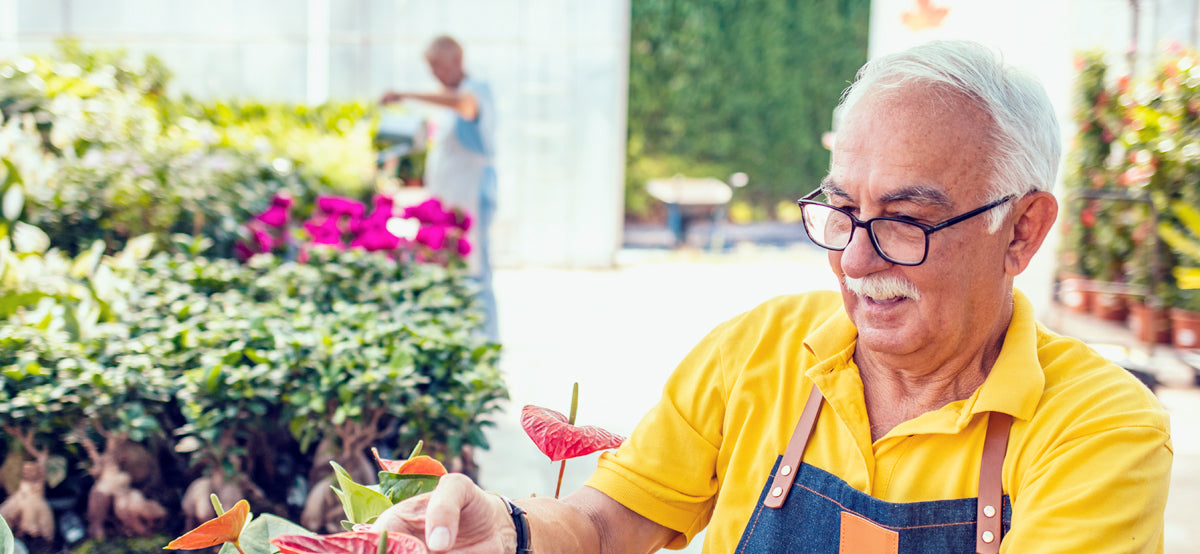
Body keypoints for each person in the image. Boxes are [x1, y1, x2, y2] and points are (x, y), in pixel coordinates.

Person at [373, 40, 1173, 553]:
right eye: (842, 211)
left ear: (1024, 231)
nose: (856, 258)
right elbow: (603, 521)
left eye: (906, 221)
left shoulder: (1098, 429)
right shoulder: (765, 347)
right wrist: (508, 531)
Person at [381, 35, 499, 341]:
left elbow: (464, 105)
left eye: (437, 65)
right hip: (451, 202)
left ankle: (486, 342)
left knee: (476, 273)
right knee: (455, 272)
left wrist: (405, 94)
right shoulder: (447, 103)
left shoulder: (475, 92)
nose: (434, 73)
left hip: (471, 198)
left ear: (457, 60)